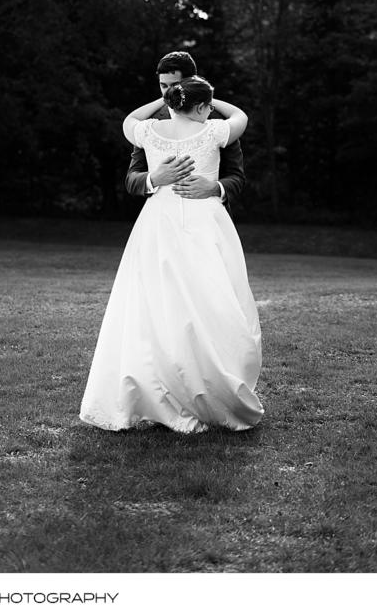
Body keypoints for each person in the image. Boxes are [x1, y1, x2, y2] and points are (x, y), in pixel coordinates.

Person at [79, 74, 264, 433]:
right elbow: (240, 115)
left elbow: (128, 121)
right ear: (199, 106)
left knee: (157, 308)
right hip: (201, 225)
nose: (211, 111)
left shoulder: (148, 132)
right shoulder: (213, 131)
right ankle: (195, 387)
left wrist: (168, 100)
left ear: (175, 99)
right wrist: (207, 98)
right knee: (207, 306)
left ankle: (173, 387)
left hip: (159, 225)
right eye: (207, 106)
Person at [125, 51, 246, 211]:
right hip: (162, 219)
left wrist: (215, 188)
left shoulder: (218, 120)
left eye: (174, 86)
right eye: (163, 86)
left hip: (209, 218)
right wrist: (153, 179)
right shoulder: (149, 123)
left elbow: (236, 177)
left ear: (191, 82)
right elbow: (131, 179)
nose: (168, 93)